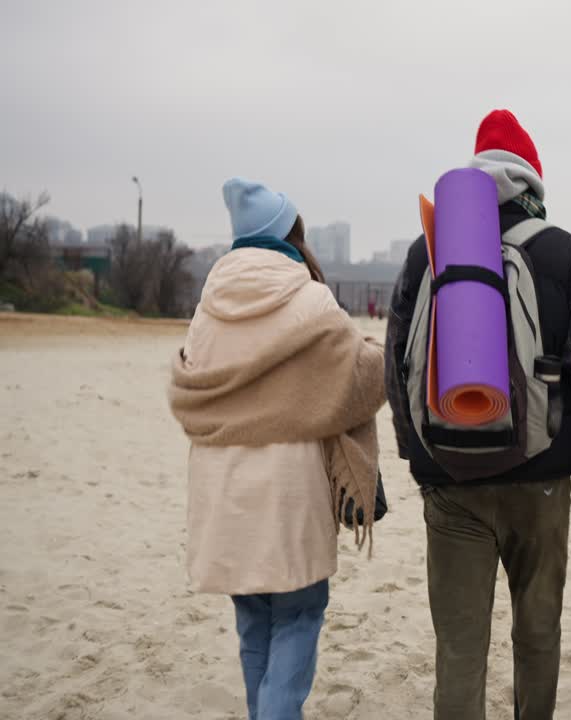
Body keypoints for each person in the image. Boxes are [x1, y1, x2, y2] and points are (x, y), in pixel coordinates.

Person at [385, 110, 571, 720]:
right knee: (538, 634)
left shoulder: (428, 253)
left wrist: (416, 454)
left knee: (460, 647)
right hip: (540, 478)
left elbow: (395, 366)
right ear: (533, 183)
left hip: (450, 481)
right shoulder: (564, 253)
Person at [169, 178, 385, 720]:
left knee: (252, 622)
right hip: (290, 489)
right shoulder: (310, 300)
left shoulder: (207, 310)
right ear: (293, 236)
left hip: (221, 486)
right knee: (299, 615)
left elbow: (189, 386)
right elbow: (361, 379)